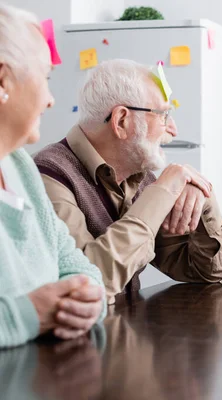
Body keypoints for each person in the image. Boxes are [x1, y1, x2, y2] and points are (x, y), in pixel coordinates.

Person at [34, 59, 222, 304]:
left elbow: (205, 272)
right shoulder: (49, 176)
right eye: (163, 115)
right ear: (121, 121)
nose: (173, 129)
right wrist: (161, 192)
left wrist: (203, 194)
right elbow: (87, 283)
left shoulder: (139, 178)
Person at [0, 4, 105, 348]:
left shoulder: (21, 167)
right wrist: (26, 314)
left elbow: (82, 269)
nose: (50, 100)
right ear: (3, 80)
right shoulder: (51, 166)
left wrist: (87, 302)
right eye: (45, 79)